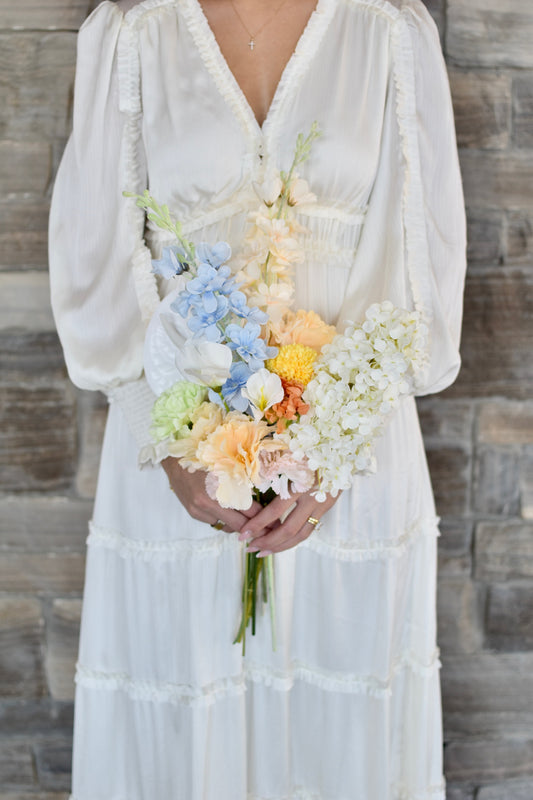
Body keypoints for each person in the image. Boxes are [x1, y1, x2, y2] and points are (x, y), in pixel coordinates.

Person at [48, 0, 466, 797]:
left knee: (341, 723)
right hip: (180, 463)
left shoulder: (387, 29)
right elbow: (94, 253)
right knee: (185, 717)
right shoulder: (134, 32)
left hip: (351, 464)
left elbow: (416, 263)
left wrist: (329, 452)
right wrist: (167, 442)